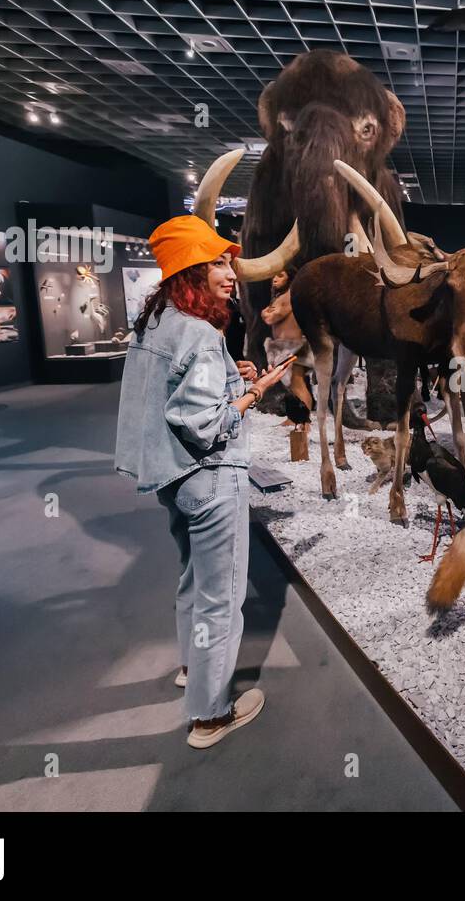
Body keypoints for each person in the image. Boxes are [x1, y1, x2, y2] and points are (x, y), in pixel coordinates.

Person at [114, 215, 289, 749]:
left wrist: (231, 373)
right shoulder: (197, 332)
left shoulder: (158, 321)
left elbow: (171, 397)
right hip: (212, 480)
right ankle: (210, 715)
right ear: (190, 269)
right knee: (222, 597)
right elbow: (205, 424)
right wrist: (254, 394)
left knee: (193, 580)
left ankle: (193, 668)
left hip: (173, 477)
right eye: (216, 262)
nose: (230, 272)